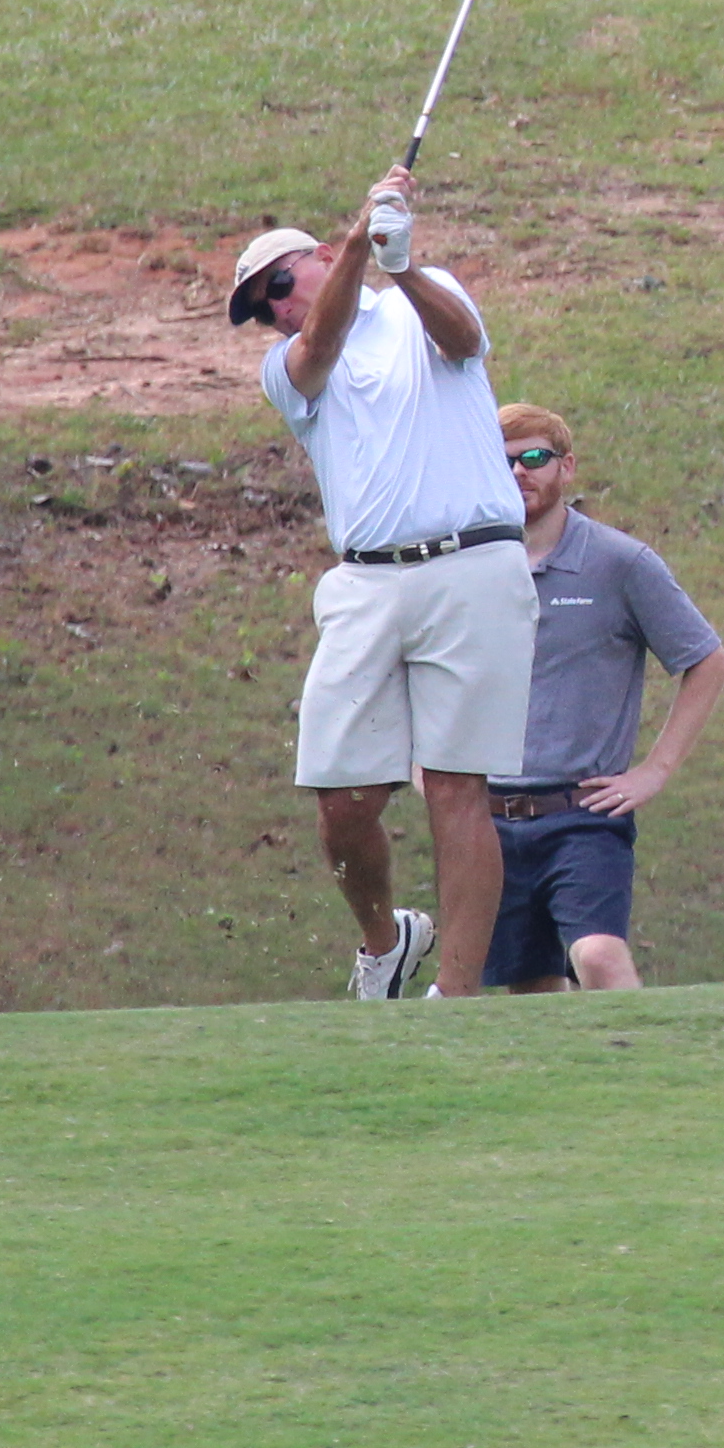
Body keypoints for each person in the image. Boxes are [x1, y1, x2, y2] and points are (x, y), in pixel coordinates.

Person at [229, 164, 533, 999]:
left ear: (318, 258)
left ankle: (458, 998)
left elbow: (464, 344)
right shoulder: (287, 365)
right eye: (261, 305)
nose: (276, 307)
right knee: (341, 798)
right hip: (368, 583)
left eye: (281, 284)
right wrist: (367, 243)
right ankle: (385, 938)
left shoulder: (424, 292)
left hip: (474, 563)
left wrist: (398, 263)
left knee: (458, 788)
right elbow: (318, 349)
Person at [481, 403, 724, 991]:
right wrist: (424, 764)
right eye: (504, 462)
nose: (519, 472)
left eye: (535, 458)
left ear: (566, 468)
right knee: (529, 991)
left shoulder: (621, 564)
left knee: (597, 958)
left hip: (583, 816)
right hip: (487, 821)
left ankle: (648, 1071)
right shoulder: (471, 568)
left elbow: (706, 661)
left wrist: (655, 770)